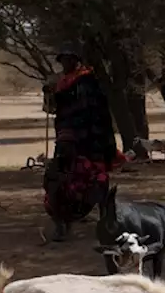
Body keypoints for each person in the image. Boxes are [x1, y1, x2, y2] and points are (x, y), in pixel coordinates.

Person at [43, 47, 118, 241]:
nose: (66, 64)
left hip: (87, 135)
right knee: (59, 178)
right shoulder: (60, 82)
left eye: (70, 60)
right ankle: (64, 221)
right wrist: (50, 95)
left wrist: (60, 97)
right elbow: (51, 109)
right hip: (65, 132)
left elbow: (87, 106)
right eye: (63, 60)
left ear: (77, 61)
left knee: (95, 177)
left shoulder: (86, 80)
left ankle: (104, 219)